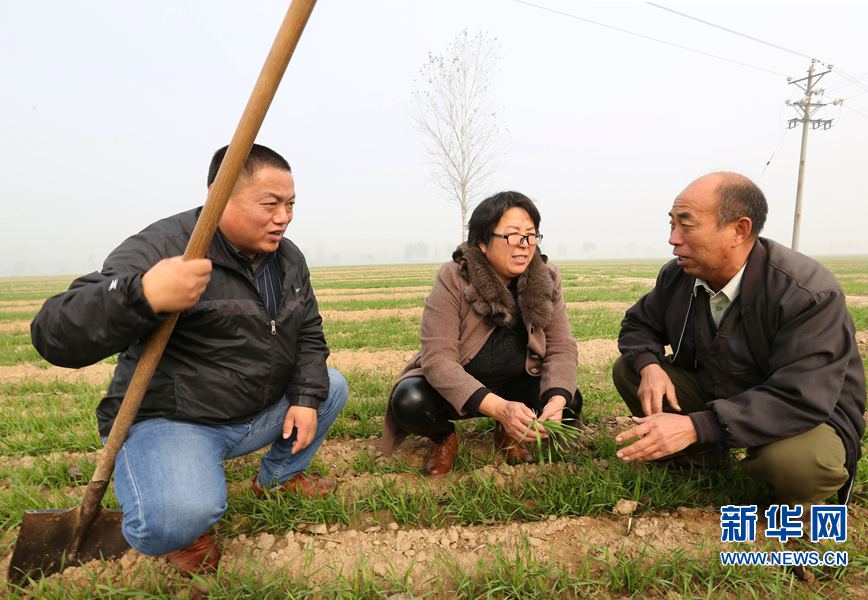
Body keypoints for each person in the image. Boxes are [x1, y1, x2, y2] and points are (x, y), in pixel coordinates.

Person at [31, 144, 348, 575]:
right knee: (175, 517)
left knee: (330, 386)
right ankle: (184, 522)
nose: (284, 217)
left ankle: (276, 479)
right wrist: (142, 294)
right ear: (219, 195)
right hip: (176, 419)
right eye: (271, 204)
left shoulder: (288, 259)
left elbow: (309, 332)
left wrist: (306, 399)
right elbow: (53, 330)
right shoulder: (166, 247)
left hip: (252, 411)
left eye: (291, 204)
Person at [612, 172, 866, 506]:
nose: (673, 239)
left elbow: (800, 397)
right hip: (725, 390)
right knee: (629, 369)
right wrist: (649, 366)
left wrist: (694, 426)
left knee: (795, 463)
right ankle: (701, 457)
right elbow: (638, 324)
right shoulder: (678, 276)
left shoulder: (806, 293)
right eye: (671, 224)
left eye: (686, 225)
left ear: (739, 230)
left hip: (803, 413)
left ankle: (805, 502)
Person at [382, 191, 581, 475]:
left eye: (530, 236)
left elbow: (561, 345)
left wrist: (557, 401)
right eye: (512, 236)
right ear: (483, 243)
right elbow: (438, 360)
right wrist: (500, 408)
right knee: (409, 402)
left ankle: (508, 432)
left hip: (517, 380)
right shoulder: (454, 276)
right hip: (458, 385)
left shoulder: (545, 276)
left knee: (569, 401)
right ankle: (444, 438)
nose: (524, 246)